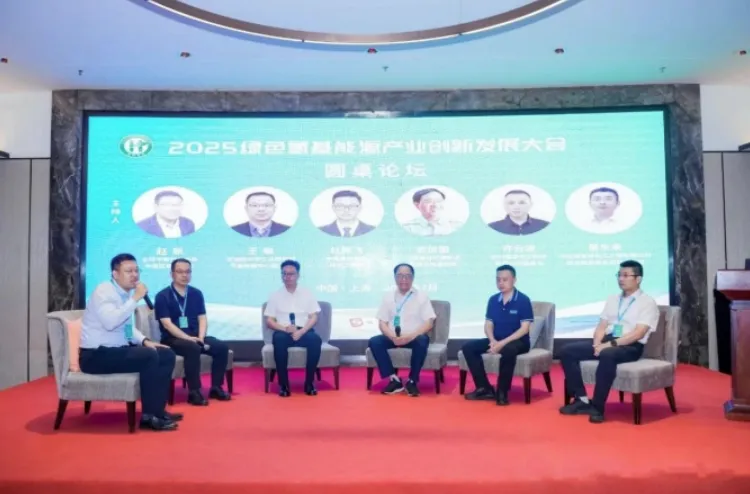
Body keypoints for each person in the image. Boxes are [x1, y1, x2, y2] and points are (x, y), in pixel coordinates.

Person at [78, 253, 181, 431]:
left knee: (166, 354)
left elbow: (126, 329)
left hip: (115, 351)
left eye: (136, 270)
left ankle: (158, 410)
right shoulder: (104, 291)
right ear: (115, 274)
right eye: (129, 271)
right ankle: (148, 417)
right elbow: (111, 323)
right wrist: (135, 299)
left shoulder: (125, 294)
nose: (135, 275)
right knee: (148, 356)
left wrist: (145, 340)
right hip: (95, 356)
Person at [558, 259, 659, 423]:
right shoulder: (613, 299)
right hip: (609, 341)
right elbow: (601, 326)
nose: (621, 279)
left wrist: (607, 346)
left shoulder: (647, 302)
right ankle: (581, 399)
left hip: (631, 346)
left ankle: (598, 407)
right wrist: (597, 343)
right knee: (567, 351)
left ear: (638, 279)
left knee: (608, 354)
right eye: (619, 275)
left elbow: (638, 333)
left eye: (625, 275)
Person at [154, 258, 231, 406]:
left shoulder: (196, 293)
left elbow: (202, 318)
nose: (184, 275)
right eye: (180, 272)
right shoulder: (163, 296)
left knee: (221, 347)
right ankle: (194, 391)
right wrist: (188, 338)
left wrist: (200, 337)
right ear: (172, 274)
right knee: (193, 348)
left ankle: (216, 387)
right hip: (173, 339)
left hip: (196, 337)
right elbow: (167, 324)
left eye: (188, 272)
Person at [462, 265, 533, 405]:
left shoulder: (523, 300)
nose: (501, 283)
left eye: (505, 280)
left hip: (519, 341)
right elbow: (488, 324)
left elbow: (524, 329)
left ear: (514, 280)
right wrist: (492, 340)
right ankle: (484, 388)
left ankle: (502, 391)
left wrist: (502, 343)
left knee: (508, 350)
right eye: (498, 280)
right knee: (468, 347)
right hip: (497, 339)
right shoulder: (493, 300)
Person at [368, 263, 436, 397]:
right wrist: (392, 337)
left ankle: (412, 381)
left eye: (407, 276)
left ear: (413, 278)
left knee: (423, 340)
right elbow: (382, 323)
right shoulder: (388, 296)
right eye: (400, 276)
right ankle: (394, 379)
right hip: (393, 337)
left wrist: (410, 336)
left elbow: (429, 322)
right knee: (374, 341)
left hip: (413, 337)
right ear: (394, 277)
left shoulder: (421, 296)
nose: (403, 279)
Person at [264, 259, 323, 397]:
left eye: (291, 274)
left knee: (315, 340)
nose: (287, 277)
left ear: (298, 275)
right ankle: (284, 385)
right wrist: (284, 329)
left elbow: (314, 316)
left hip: (303, 330)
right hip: (284, 331)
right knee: (278, 340)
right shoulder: (275, 295)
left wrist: (302, 331)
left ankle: (309, 383)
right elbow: (269, 320)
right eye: (284, 274)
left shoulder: (307, 293)